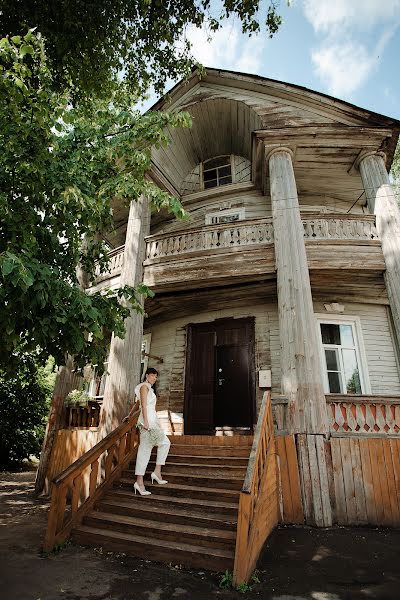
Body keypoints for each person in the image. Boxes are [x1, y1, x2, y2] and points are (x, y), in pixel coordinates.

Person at [125, 367, 170, 496]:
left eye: (156, 376)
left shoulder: (148, 388)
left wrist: (129, 415)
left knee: (160, 445)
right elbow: (143, 405)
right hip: (147, 422)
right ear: (146, 376)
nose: (155, 378)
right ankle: (141, 481)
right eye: (152, 375)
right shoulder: (144, 387)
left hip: (151, 420)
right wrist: (145, 422)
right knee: (148, 449)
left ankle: (155, 473)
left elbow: (137, 403)